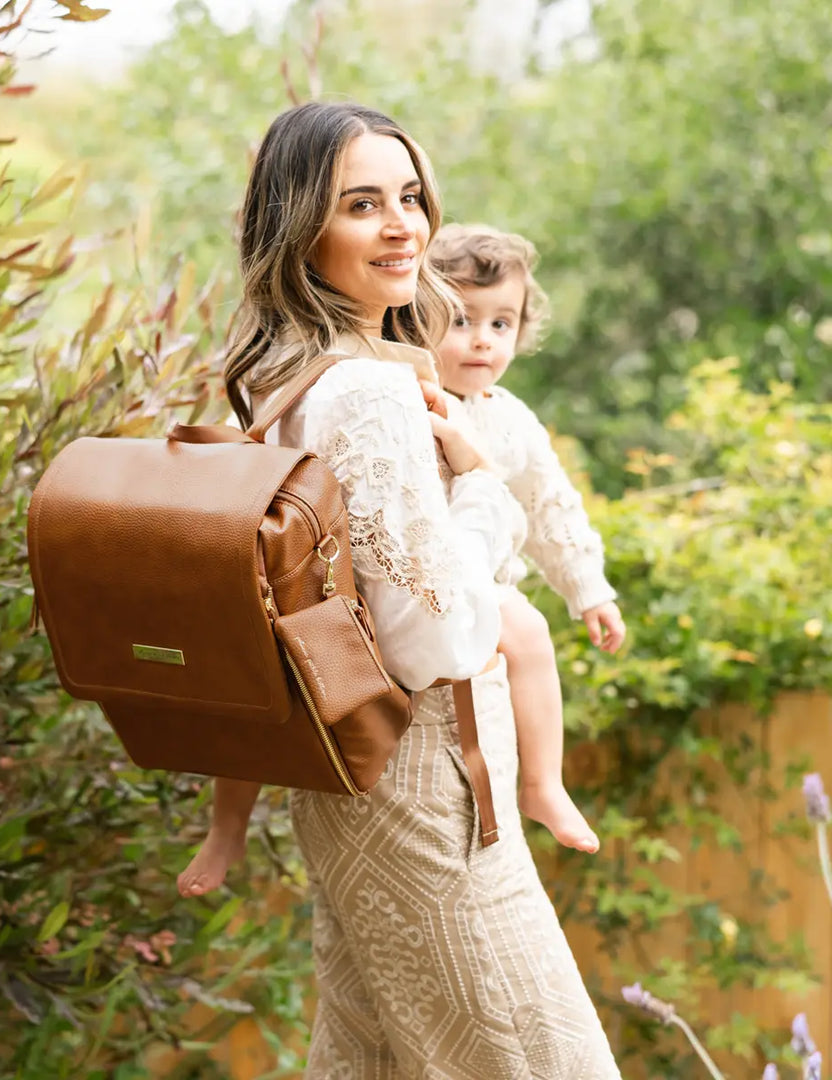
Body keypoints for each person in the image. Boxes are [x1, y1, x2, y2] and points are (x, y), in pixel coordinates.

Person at [180, 100, 623, 1077]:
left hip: (339, 788)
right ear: (301, 232)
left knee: (376, 1056)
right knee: (542, 1058)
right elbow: (445, 635)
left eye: (411, 197)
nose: (402, 226)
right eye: (361, 205)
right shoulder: (374, 391)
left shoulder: (279, 380)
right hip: (432, 795)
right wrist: (478, 484)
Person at [430, 223, 626, 854]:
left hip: (484, 583)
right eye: (461, 319)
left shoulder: (510, 419)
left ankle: (541, 783)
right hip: (424, 577)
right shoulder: (412, 396)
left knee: (530, 636)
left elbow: (550, 507)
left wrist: (590, 590)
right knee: (525, 632)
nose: (482, 340)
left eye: (501, 323)